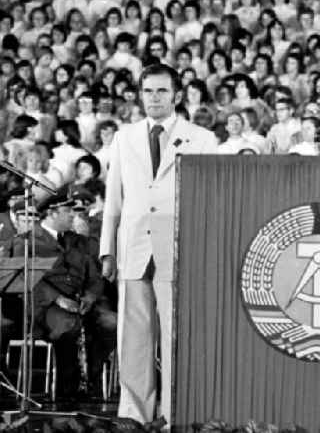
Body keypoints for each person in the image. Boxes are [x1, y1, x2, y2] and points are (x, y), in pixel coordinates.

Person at [99, 64, 218, 425]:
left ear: (177, 96)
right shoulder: (125, 137)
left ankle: (173, 412)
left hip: (180, 249)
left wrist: (203, 250)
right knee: (133, 339)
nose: (154, 98)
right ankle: (133, 413)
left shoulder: (202, 138)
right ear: (139, 94)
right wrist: (108, 249)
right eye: (148, 91)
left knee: (175, 338)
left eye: (162, 91)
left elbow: (209, 201)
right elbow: (114, 198)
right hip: (134, 248)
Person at [27, 192, 115, 400]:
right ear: (51, 213)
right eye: (67, 211)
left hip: (82, 301)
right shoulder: (30, 240)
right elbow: (31, 280)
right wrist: (59, 299)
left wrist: (90, 297)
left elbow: (95, 277)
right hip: (47, 305)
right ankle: (68, 391)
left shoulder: (78, 241)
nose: (72, 217)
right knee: (68, 324)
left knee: (111, 323)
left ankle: (90, 380)